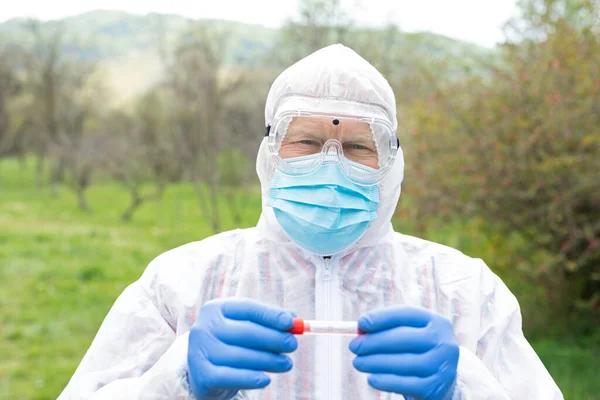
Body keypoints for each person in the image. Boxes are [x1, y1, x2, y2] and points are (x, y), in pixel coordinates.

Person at [58, 44, 563, 400]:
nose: (331, 162)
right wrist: (176, 382)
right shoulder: (180, 284)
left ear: (391, 163)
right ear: (270, 152)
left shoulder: (464, 291)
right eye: (305, 141)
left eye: (358, 146)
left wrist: (462, 389)